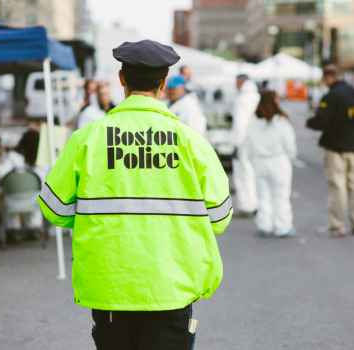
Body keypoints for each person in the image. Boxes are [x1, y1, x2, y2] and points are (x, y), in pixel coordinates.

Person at [38, 39, 232, 350]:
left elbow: (53, 208)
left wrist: (94, 219)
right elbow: (220, 218)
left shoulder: (87, 138)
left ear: (122, 80)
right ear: (164, 83)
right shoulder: (191, 141)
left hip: (110, 287)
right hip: (173, 287)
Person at [306, 64, 354, 238]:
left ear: (328, 77)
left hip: (336, 148)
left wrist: (309, 122)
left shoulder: (330, 97)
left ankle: (337, 225)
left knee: (337, 186)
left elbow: (320, 121)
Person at [244, 90, 296, 237]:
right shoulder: (281, 121)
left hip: (259, 161)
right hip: (279, 161)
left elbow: (247, 143)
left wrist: (250, 159)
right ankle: (283, 227)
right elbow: (290, 145)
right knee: (281, 196)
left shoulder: (253, 121)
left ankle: (264, 225)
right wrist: (290, 157)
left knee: (263, 195)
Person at [231, 74, 260, 215]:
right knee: (252, 172)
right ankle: (254, 203)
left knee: (242, 173)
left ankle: (246, 205)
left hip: (243, 141)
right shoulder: (255, 96)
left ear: (241, 82)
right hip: (254, 140)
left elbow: (240, 123)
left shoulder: (242, 99)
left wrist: (236, 144)